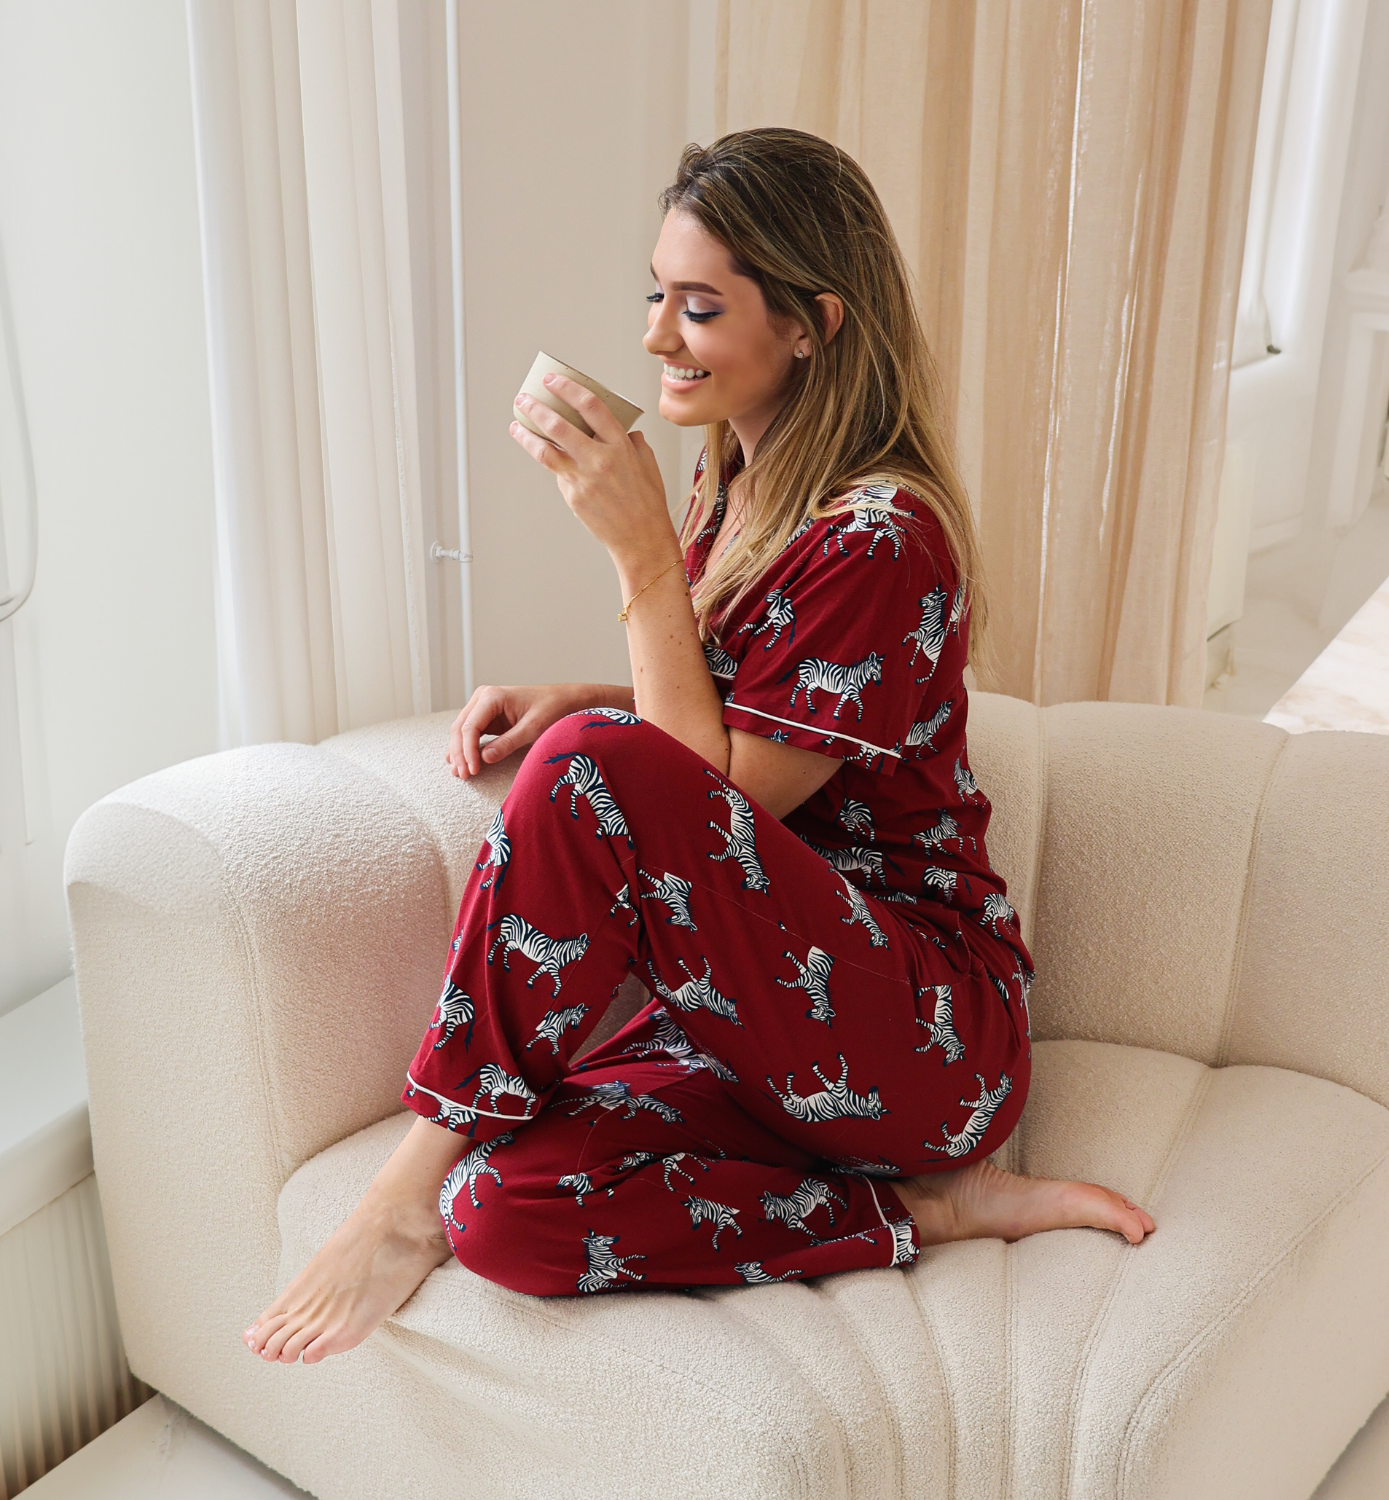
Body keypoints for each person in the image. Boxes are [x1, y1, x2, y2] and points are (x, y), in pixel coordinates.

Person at [243, 127, 1155, 1367]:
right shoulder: (734, 482)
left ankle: (403, 1186)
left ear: (813, 325)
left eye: (700, 306)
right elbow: (725, 726)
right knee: (503, 1214)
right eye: (655, 296)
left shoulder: (884, 538)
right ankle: (918, 1212)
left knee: (591, 764)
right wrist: (578, 693)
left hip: (917, 1030)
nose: (656, 337)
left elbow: (712, 807)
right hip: (753, 1014)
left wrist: (632, 561)